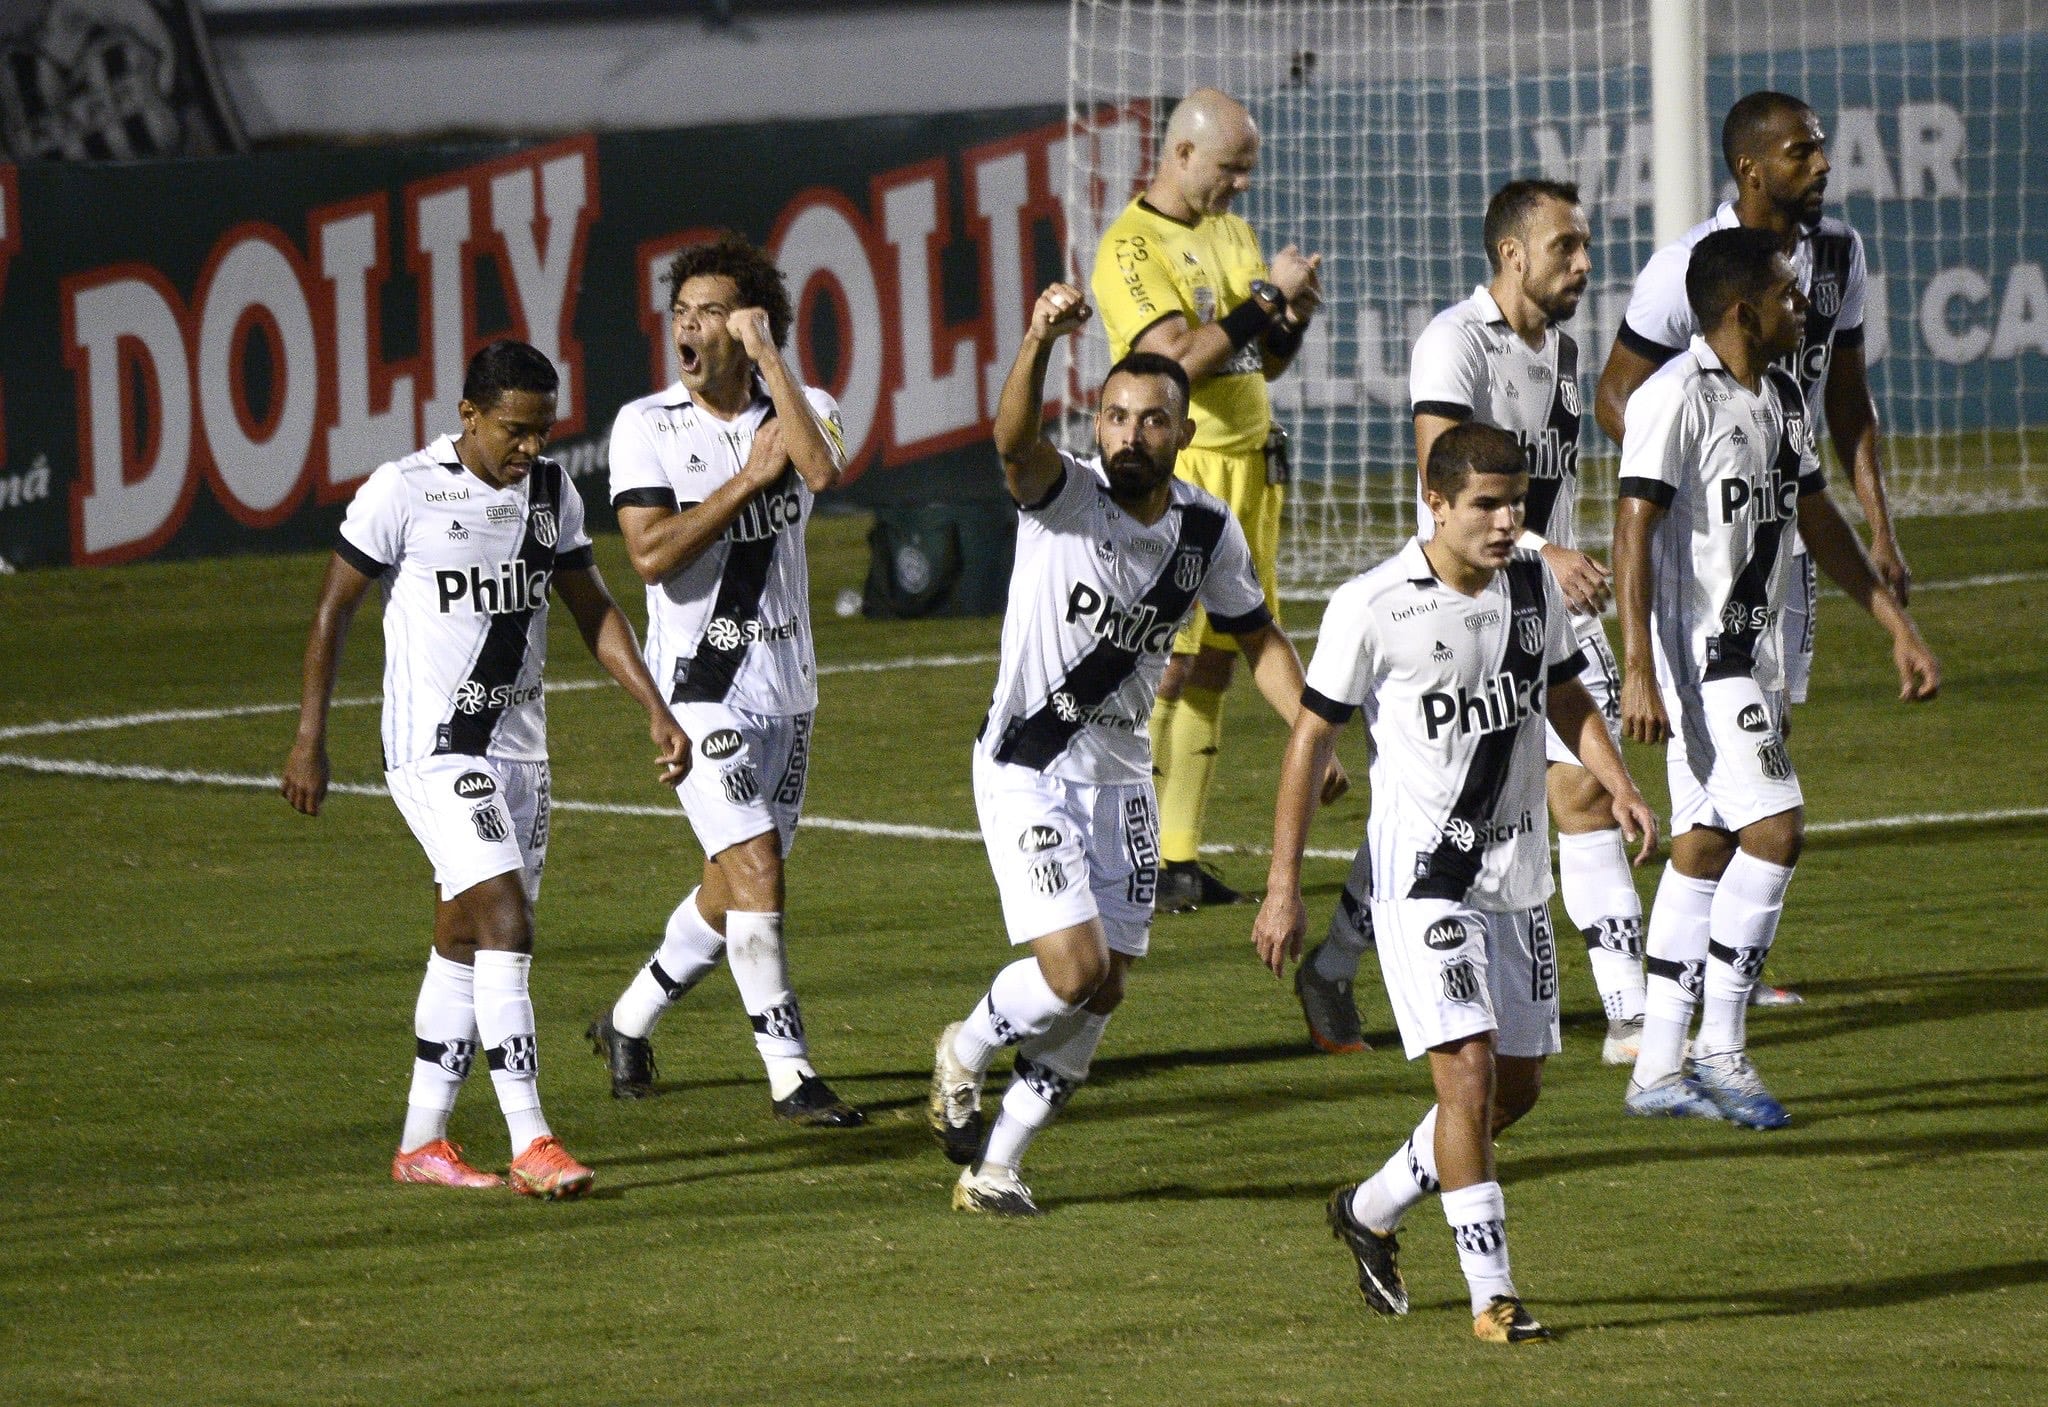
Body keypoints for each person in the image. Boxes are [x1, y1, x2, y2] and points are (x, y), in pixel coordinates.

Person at [927, 282, 1345, 1215]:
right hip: (1029, 763)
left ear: (1182, 436)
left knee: (1106, 990)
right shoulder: (1061, 495)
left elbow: (1259, 637)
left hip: (1122, 779)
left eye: (1151, 421)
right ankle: (966, 1045)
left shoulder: (1205, 528)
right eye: (1114, 415)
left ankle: (997, 1165)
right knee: (1071, 969)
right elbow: (1010, 442)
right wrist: (1037, 334)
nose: (1127, 434)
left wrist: (1309, 728)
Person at [1254, 421, 1658, 1344]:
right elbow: (1309, 736)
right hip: (1423, 883)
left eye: (1517, 500)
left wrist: (1622, 784)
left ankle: (1369, 1205)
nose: (1508, 519)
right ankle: (1494, 1297)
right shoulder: (1373, 605)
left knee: (1512, 1092)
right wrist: (1284, 884)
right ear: (1434, 503)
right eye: (1486, 503)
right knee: (1466, 1077)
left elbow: (1562, 692)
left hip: (1518, 879)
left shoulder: (1530, 586)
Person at [283, 339, 690, 1199]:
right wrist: (309, 736)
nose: (531, 447)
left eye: (544, 431)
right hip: (435, 750)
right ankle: (532, 1139)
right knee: (507, 924)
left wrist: (653, 705)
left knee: (463, 938)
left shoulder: (550, 494)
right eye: (514, 429)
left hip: (521, 753)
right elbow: (334, 606)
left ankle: (421, 1140)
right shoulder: (405, 491)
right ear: (467, 415)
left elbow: (592, 607)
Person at [1296, 180, 1653, 1066]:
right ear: (1512, 254)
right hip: (1455, 609)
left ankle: (1633, 1013)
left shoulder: (1565, 355)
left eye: (1584, 246)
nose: (1583, 261)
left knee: (1576, 789)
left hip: (1543, 605)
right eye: (1566, 245)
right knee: (1450, 815)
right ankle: (1336, 959)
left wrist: (1559, 559)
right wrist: (1543, 549)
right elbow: (1438, 472)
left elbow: (1552, 487)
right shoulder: (1452, 343)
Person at [1613, 227, 1939, 1129]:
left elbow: (1817, 517)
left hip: (1755, 652)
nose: (1804, 305)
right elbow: (1633, 528)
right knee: (1779, 829)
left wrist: (1894, 624)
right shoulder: (1673, 397)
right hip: (1700, 661)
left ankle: (1660, 1065)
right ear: (1741, 308)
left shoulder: (1786, 392)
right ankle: (1723, 1045)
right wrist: (1638, 664)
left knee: (1706, 846)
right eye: (1789, 294)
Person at [1595, 91, 1914, 1006]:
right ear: (1752, 168)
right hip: (1704, 550)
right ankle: (1713, 992)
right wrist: (1701, 480)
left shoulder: (1839, 255)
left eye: (1822, 150)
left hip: (1785, 534)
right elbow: (1621, 396)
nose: (1821, 166)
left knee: (1760, 749)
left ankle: (1708, 974)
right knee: (1748, 786)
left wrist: (1878, 525)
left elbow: (1847, 399)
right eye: (1803, 153)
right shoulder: (1686, 268)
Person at [585, 233, 863, 1128]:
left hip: (790, 691)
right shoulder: (645, 424)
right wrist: (747, 479)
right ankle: (791, 1075)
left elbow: (821, 468)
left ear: (749, 326)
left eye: (709, 313)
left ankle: (625, 1021)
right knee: (758, 867)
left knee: (730, 884)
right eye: (680, 314)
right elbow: (651, 556)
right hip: (701, 688)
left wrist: (770, 358)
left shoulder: (804, 401)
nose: (687, 329)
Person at [1090, 86, 1325, 912]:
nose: (1240, 187)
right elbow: (1177, 362)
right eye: (1230, 169)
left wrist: (1287, 317)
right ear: (1181, 154)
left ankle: (1179, 856)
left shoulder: (1231, 231)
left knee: (1223, 658)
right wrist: (1264, 301)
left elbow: (1252, 363)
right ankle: (1135, 853)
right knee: (1170, 662)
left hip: (1252, 465)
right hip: (1184, 475)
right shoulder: (1128, 247)